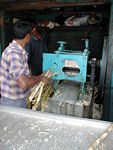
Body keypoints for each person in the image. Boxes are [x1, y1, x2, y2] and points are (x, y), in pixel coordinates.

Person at [0, 20, 50, 108]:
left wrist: (38, 77)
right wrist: (40, 79)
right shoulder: (14, 54)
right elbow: (24, 83)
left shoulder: (18, 51)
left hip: (16, 99)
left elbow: (23, 76)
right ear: (27, 36)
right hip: (13, 102)